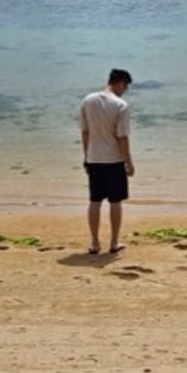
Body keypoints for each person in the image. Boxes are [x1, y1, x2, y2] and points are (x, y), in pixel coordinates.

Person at [78, 68, 134, 254]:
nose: (125, 91)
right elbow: (122, 137)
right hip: (114, 160)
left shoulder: (88, 100)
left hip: (94, 158)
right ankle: (114, 242)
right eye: (125, 87)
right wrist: (129, 162)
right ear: (121, 83)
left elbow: (85, 132)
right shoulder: (120, 105)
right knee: (115, 202)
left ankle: (94, 243)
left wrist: (86, 157)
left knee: (94, 201)